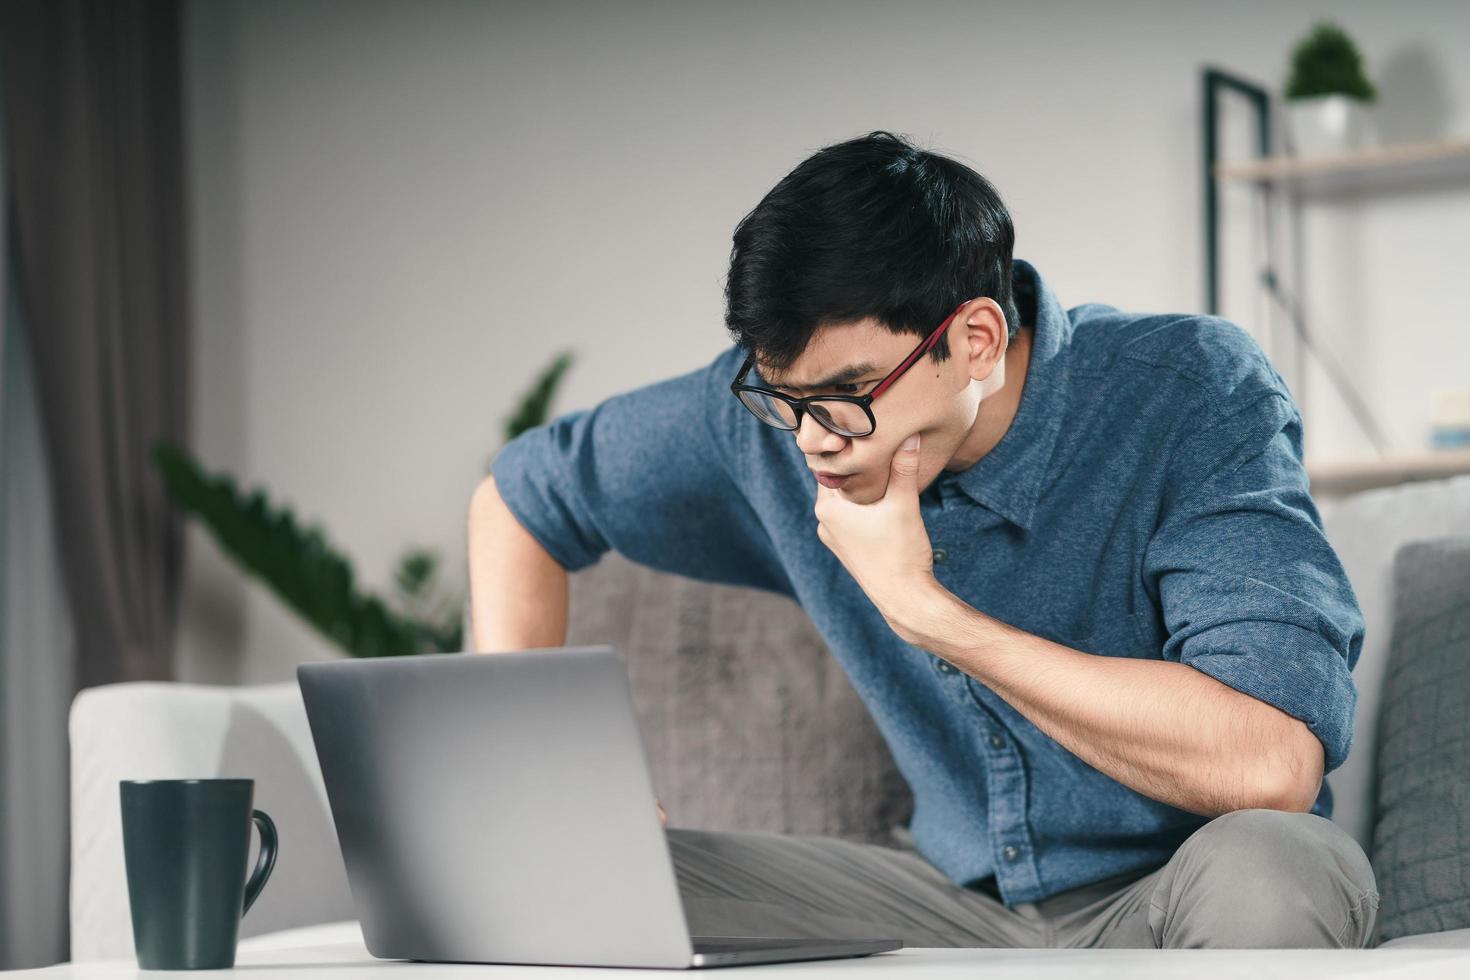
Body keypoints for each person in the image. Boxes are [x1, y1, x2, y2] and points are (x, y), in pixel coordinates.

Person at [466, 131, 1377, 948]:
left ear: (976, 339)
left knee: (1277, 868)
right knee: (565, 884)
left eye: (848, 392)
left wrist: (927, 612)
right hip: (941, 904)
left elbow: (1271, 762)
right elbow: (516, 498)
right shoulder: (780, 419)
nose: (815, 437)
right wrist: (543, 775)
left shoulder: (1188, 388)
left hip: (1174, 896)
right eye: (784, 397)